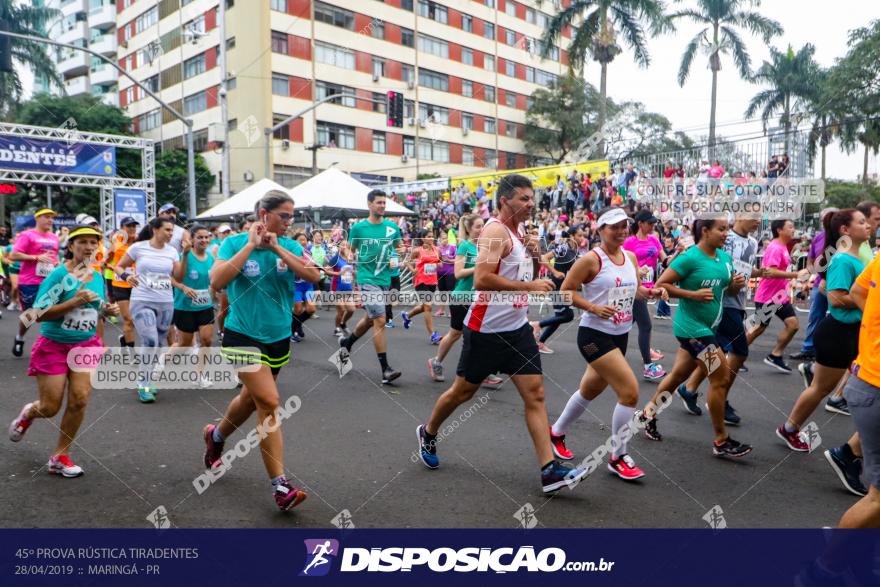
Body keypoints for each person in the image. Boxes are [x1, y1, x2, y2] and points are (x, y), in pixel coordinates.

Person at [415, 174, 590, 495]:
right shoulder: (495, 231)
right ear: (505, 200)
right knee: (461, 393)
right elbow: (482, 279)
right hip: (486, 330)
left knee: (535, 395)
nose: (530, 204)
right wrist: (529, 286)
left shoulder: (519, 232)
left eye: (531, 198)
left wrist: (536, 255)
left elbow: (527, 274)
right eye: (524, 198)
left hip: (517, 329)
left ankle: (549, 470)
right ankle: (428, 432)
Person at [203, 190, 320, 511]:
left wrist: (277, 246)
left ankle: (215, 436)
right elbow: (216, 280)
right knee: (269, 402)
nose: (289, 221)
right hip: (242, 334)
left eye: (291, 216)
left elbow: (313, 275)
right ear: (264, 214)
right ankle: (280, 486)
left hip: (278, 335)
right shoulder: (234, 243)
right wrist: (252, 246)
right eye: (284, 215)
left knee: (249, 399)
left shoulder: (292, 245)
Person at [549, 207, 668, 481]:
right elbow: (565, 292)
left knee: (589, 390)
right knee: (629, 391)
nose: (621, 230)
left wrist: (651, 292)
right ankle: (618, 456)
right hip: (593, 336)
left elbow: (635, 290)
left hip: (620, 334)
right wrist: (592, 307)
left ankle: (555, 433)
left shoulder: (630, 257)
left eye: (624, 225)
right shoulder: (591, 260)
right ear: (600, 229)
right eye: (614, 226)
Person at [636, 217, 753, 457]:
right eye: (721, 229)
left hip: (709, 328)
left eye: (727, 229)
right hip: (692, 330)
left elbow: (725, 290)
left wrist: (735, 286)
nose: (726, 234)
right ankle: (721, 440)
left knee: (679, 375)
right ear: (705, 231)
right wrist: (692, 294)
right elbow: (662, 284)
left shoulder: (725, 258)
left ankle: (647, 414)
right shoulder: (690, 257)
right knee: (720, 376)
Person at [8, 225, 119, 477]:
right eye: (83, 243)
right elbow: (35, 314)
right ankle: (29, 413)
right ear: (71, 247)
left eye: (94, 243)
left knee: (79, 399)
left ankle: (60, 456)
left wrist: (106, 311)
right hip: (54, 345)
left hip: (85, 345)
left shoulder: (98, 276)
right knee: (50, 407)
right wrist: (72, 302)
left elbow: (94, 309)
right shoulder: (58, 276)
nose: (90, 248)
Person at [774, 211, 868, 478]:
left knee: (834, 386)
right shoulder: (842, 260)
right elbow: (837, 299)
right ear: (845, 230)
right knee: (820, 389)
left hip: (851, 332)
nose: (869, 226)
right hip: (838, 332)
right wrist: (871, 300)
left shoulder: (855, 258)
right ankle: (789, 429)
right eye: (861, 222)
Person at [676, 216, 762, 425]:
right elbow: (683, 267)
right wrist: (694, 294)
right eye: (754, 215)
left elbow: (744, 271)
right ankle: (719, 402)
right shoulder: (723, 237)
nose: (758, 220)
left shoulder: (752, 242)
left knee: (699, 361)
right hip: (721, 305)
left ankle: (688, 389)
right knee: (739, 351)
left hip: (737, 302)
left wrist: (770, 274)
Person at [832, 250, 880, 528]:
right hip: (873, 386)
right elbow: (846, 292)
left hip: (865, 380)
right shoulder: (841, 259)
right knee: (876, 499)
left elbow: (859, 290)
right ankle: (825, 569)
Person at [336, 190, 405, 384]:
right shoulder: (359, 228)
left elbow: (399, 247)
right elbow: (349, 248)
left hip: (385, 279)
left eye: (384, 203)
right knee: (380, 320)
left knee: (369, 319)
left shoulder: (392, 227)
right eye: (378, 203)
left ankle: (346, 344)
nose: (382, 206)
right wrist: (351, 256)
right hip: (367, 279)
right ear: (369, 204)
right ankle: (386, 370)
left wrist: (398, 253)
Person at [427, 214, 503, 387]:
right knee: (456, 333)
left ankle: (484, 371)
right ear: (469, 229)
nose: (481, 229)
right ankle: (436, 361)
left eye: (483, 225)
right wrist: (478, 267)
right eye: (477, 226)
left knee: (481, 334)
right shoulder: (464, 247)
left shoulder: (484, 247)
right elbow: (458, 273)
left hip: (479, 298)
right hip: (461, 297)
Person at [114, 217, 184, 403]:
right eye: (167, 230)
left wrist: (186, 255)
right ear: (155, 229)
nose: (170, 234)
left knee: (158, 343)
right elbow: (119, 266)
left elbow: (178, 276)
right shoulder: (139, 248)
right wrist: (127, 276)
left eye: (172, 231)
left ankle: (147, 378)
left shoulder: (173, 251)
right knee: (151, 340)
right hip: (142, 300)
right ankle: (143, 382)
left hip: (166, 302)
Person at [748, 218, 808, 373]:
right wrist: (795, 274)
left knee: (793, 325)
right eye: (790, 227)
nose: (793, 229)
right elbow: (770, 272)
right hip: (768, 296)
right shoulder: (775, 247)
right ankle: (733, 354)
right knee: (758, 328)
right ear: (780, 230)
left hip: (779, 297)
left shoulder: (782, 246)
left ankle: (775, 355)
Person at [622, 209, 667, 381]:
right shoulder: (629, 242)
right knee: (646, 325)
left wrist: (678, 253)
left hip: (649, 287)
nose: (652, 226)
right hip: (634, 288)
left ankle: (611, 353)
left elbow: (666, 261)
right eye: (649, 223)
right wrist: (636, 271)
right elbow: (622, 262)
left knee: (625, 325)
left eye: (654, 224)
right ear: (640, 223)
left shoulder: (655, 240)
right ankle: (648, 367)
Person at [169, 225, 216, 388]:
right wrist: (183, 288)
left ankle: (199, 375)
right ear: (192, 240)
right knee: (184, 344)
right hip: (185, 306)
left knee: (207, 340)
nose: (204, 240)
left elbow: (214, 279)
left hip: (205, 305)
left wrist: (214, 289)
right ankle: (161, 362)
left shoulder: (211, 258)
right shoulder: (184, 256)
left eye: (207, 237)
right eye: (200, 237)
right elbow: (172, 279)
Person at [10, 209, 60, 357]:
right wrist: (36, 258)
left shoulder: (54, 238)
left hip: (50, 281)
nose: (50, 220)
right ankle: (20, 337)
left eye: (52, 217)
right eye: (46, 217)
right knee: (31, 315)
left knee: (53, 312)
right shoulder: (27, 235)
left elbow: (53, 257)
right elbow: (13, 255)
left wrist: (56, 263)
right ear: (37, 218)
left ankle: (51, 345)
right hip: (30, 281)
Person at [791, 208, 839, 361]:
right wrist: (810, 276)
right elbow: (811, 260)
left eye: (829, 218)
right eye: (824, 219)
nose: (826, 222)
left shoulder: (844, 238)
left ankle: (832, 351)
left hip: (838, 285)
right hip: (820, 284)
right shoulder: (819, 238)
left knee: (837, 318)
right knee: (815, 316)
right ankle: (808, 348)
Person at [529, 227, 582, 354]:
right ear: (572, 236)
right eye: (580, 235)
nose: (582, 238)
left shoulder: (575, 251)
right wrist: (555, 271)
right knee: (567, 316)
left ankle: (540, 343)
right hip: (556, 287)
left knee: (561, 316)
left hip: (564, 289)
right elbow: (543, 258)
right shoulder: (563, 248)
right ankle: (538, 324)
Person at [402, 230, 441, 344]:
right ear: (423, 238)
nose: (432, 238)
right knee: (428, 307)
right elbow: (407, 262)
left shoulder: (436, 249)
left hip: (432, 281)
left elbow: (440, 263)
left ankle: (407, 315)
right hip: (421, 281)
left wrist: (437, 265)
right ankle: (433, 335)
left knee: (425, 306)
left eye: (432, 236)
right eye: (429, 236)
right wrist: (413, 269)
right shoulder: (417, 251)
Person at [109, 217, 140, 351]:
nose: (132, 229)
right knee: (128, 319)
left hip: (136, 285)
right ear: (122, 228)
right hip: (120, 284)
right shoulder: (117, 242)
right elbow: (106, 258)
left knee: (137, 320)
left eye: (134, 226)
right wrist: (113, 267)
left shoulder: (140, 242)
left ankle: (124, 339)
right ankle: (132, 353)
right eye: (129, 226)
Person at [323, 240, 355, 337]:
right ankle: (337, 328)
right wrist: (338, 273)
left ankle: (343, 323)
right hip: (337, 287)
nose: (344, 247)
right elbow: (326, 271)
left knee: (351, 309)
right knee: (341, 309)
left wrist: (354, 273)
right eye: (342, 245)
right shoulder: (335, 258)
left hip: (348, 287)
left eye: (346, 245)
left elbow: (353, 271)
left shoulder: (350, 258)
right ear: (339, 247)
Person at [290, 232, 317, 343]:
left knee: (311, 309)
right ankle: (292, 331)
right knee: (298, 309)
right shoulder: (291, 253)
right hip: (296, 286)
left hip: (308, 285)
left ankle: (297, 324)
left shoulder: (308, 253)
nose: (303, 242)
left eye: (305, 240)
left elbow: (314, 269)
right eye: (300, 239)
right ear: (295, 242)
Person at [434, 231, 456, 317]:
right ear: (439, 239)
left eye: (446, 238)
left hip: (450, 273)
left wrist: (449, 260)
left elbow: (458, 260)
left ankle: (452, 311)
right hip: (440, 273)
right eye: (443, 238)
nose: (445, 240)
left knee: (451, 292)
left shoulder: (453, 248)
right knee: (442, 291)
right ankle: (441, 310)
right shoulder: (437, 249)